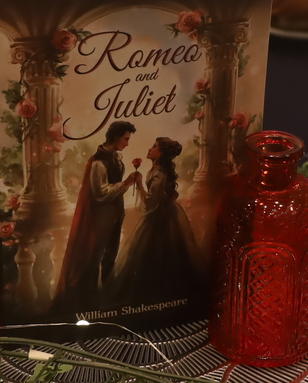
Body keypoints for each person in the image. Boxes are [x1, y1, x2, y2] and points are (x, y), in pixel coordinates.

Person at [51, 121, 139, 312]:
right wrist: (125, 184)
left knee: (110, 256)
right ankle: (89, 303)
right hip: (101, 218)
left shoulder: (114, 157)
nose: (127, 143)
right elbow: (100, 193)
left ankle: (108, 300)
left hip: (115, 215)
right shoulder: (98, 162)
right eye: (125, 138)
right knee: (94, 258)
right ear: (115, 137)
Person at [107, 137, 205, 306]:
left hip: (162, 219)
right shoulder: (157, 169)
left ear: (161, 153)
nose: (150, 149)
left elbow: (151, 202)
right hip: (165, 215)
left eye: (154, 147)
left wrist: (138, 185)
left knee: (158, 256)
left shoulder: (159, 174)